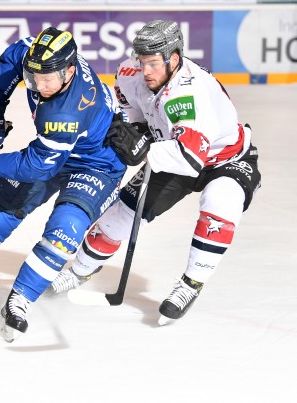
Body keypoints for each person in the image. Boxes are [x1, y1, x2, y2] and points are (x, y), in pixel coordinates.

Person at [49, 20, 262, 325]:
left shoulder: (189, 95)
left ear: (173, 59)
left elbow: (190, 160)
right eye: (141, 61)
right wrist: (136, 132)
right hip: (172, 150)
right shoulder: (129, 73)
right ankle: (79, 271)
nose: (145, 70)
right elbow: (132, 112)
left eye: (152, 63)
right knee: (119, 217)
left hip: (225, 158)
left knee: (220, 205)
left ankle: (191, 284)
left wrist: (146, 149)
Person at [0, 27, 126, 341]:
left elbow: (34, 165)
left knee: (64, 229)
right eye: (33, 78)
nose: (39, 86)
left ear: (70, 71)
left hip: (97, 163)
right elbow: (15, 54)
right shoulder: (39, 58)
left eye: (47, 80)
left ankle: (22, 297)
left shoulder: (66, 110)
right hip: (54, 150)